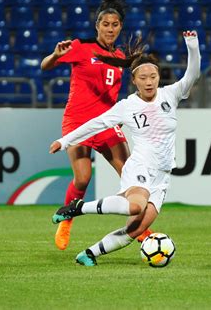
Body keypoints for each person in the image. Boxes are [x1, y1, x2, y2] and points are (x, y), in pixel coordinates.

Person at [48, 31, 201, 266]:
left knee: (136, 227)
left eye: (153, 76)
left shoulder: (171, 94)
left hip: (162, 176)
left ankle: (89, 254)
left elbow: (193, 74)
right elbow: (95, 124)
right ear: (134, 80)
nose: (149, 81)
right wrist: (65, 141)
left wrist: (192, 44)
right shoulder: (127, 106)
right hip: (140, 166)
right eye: (143, 77)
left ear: (159, 76)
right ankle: (78, 207)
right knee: (135, 206)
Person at [41, 0, 153, 250]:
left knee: (131, 177)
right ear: (97, 26)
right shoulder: (81, 48)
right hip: (78, 121)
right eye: (105, 24)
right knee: (82, 179)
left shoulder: (120, 58)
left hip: (108, 122)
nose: (110, 29)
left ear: (120, 27)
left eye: (115, 25)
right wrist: (56, 55)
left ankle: (139, 229)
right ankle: (67, 220)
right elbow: (45, 66)